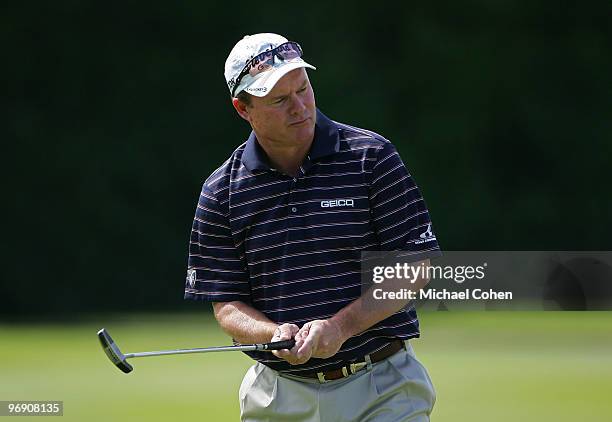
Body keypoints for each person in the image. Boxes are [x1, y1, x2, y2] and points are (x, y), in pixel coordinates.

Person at [184, 32, 441, 422]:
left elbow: (415, 267)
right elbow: (228, 306)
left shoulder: (370, 157)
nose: (300, 107)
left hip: (382, 387)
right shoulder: (222, 192)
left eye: (303, 88)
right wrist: (271, 334)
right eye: (280, 100)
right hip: (278, 396)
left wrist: (340, 327)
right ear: (242, 108)